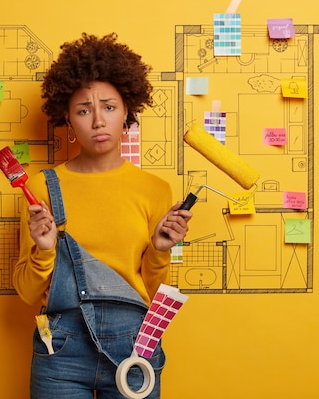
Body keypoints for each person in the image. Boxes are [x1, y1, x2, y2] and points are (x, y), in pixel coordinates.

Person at [13, 33, 192, 399]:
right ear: (68, 116)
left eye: (109, 107)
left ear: (127, 109)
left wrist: (159, 249)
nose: (97, 121)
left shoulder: (155, 190)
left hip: (134, 347)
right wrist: (44, 249)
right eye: (83, 110)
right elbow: (27, 291)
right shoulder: (42, 187)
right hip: (60, 352)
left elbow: (154, 293)